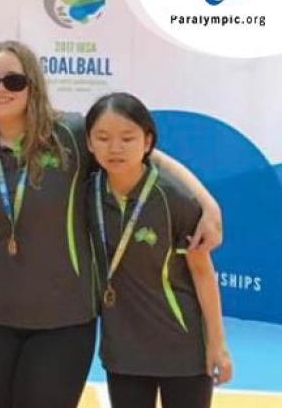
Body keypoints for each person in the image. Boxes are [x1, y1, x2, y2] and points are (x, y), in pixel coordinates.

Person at [0, 40, 224, 408]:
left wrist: (209, 206)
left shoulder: (68, 134)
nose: (1, 89)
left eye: (14, 81)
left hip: (63, 318)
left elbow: (145, 156)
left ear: (32, 84)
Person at [85, 92, 232, 408]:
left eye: (127, 138)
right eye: (103, 137)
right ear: (88, 142)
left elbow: (202, 271)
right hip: (123, 350)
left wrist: (217, 344)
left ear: (148, 141)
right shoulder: (86, 193)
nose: (115, 148)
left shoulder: (175, 198)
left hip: (182, 348)